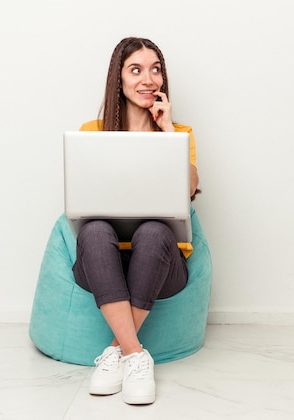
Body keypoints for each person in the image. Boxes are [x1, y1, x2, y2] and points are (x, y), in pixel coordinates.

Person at [72, 37, 200, 405]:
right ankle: (135, 355)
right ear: (119, 79)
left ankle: (118, 352)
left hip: (163, 263)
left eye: (156, 69)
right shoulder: (90, 132)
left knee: (155, 231)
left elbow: (190, 188)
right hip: (102, 262)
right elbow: (82, 203)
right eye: (136, 69)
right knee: (95, 231)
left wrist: (169, 132)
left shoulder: (181, 134)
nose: (149, 79)